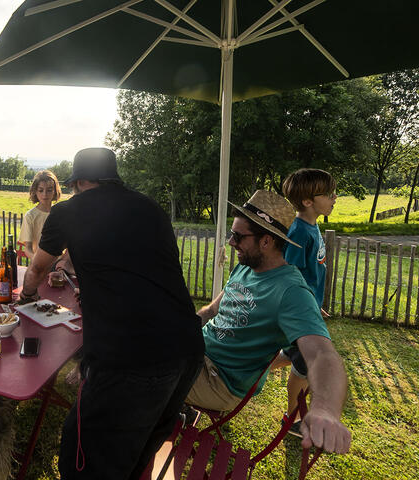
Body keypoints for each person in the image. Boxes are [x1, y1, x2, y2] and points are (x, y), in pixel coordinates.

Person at [19, 147, 204, 480]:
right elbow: (134, 266)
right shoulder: (150, 208)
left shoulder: (68, 212)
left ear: (81, 182)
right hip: (187, 347)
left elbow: (35, 268)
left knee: (85, 453)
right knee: (139, 448)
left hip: (132, 355)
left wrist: (28, 295)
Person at [189, 190, 351, 454]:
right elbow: (212, 309)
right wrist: (184, 324)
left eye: (238, 236)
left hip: (221, 382)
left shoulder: (291, 292)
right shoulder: (246, 266)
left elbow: (323, 354)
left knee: (136, 367)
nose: (231, 242)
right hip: (198, 356)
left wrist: (325, 409)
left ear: (266, 241)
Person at [280, 168, 338, 436]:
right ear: (308, 201)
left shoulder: (313, 227)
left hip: (308, 309)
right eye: (328, 194)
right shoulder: (299, 232)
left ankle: (261, 364)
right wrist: (305, 308)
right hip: (298, 313)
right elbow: (288, 275)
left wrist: (315, 304)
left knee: (295, 356)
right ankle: (291, 417)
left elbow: (310, 276)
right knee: (303, 365)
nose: (334, 198)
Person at [18, 170, 61, 262]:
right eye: (41, 190)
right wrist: (37, 260)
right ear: (35, 191)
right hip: (38, 266)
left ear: (55, 191)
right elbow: (28, 249)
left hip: (58, 267)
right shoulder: (30, 216)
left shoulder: (60, 214)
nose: (45, 194)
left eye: (49, 190)